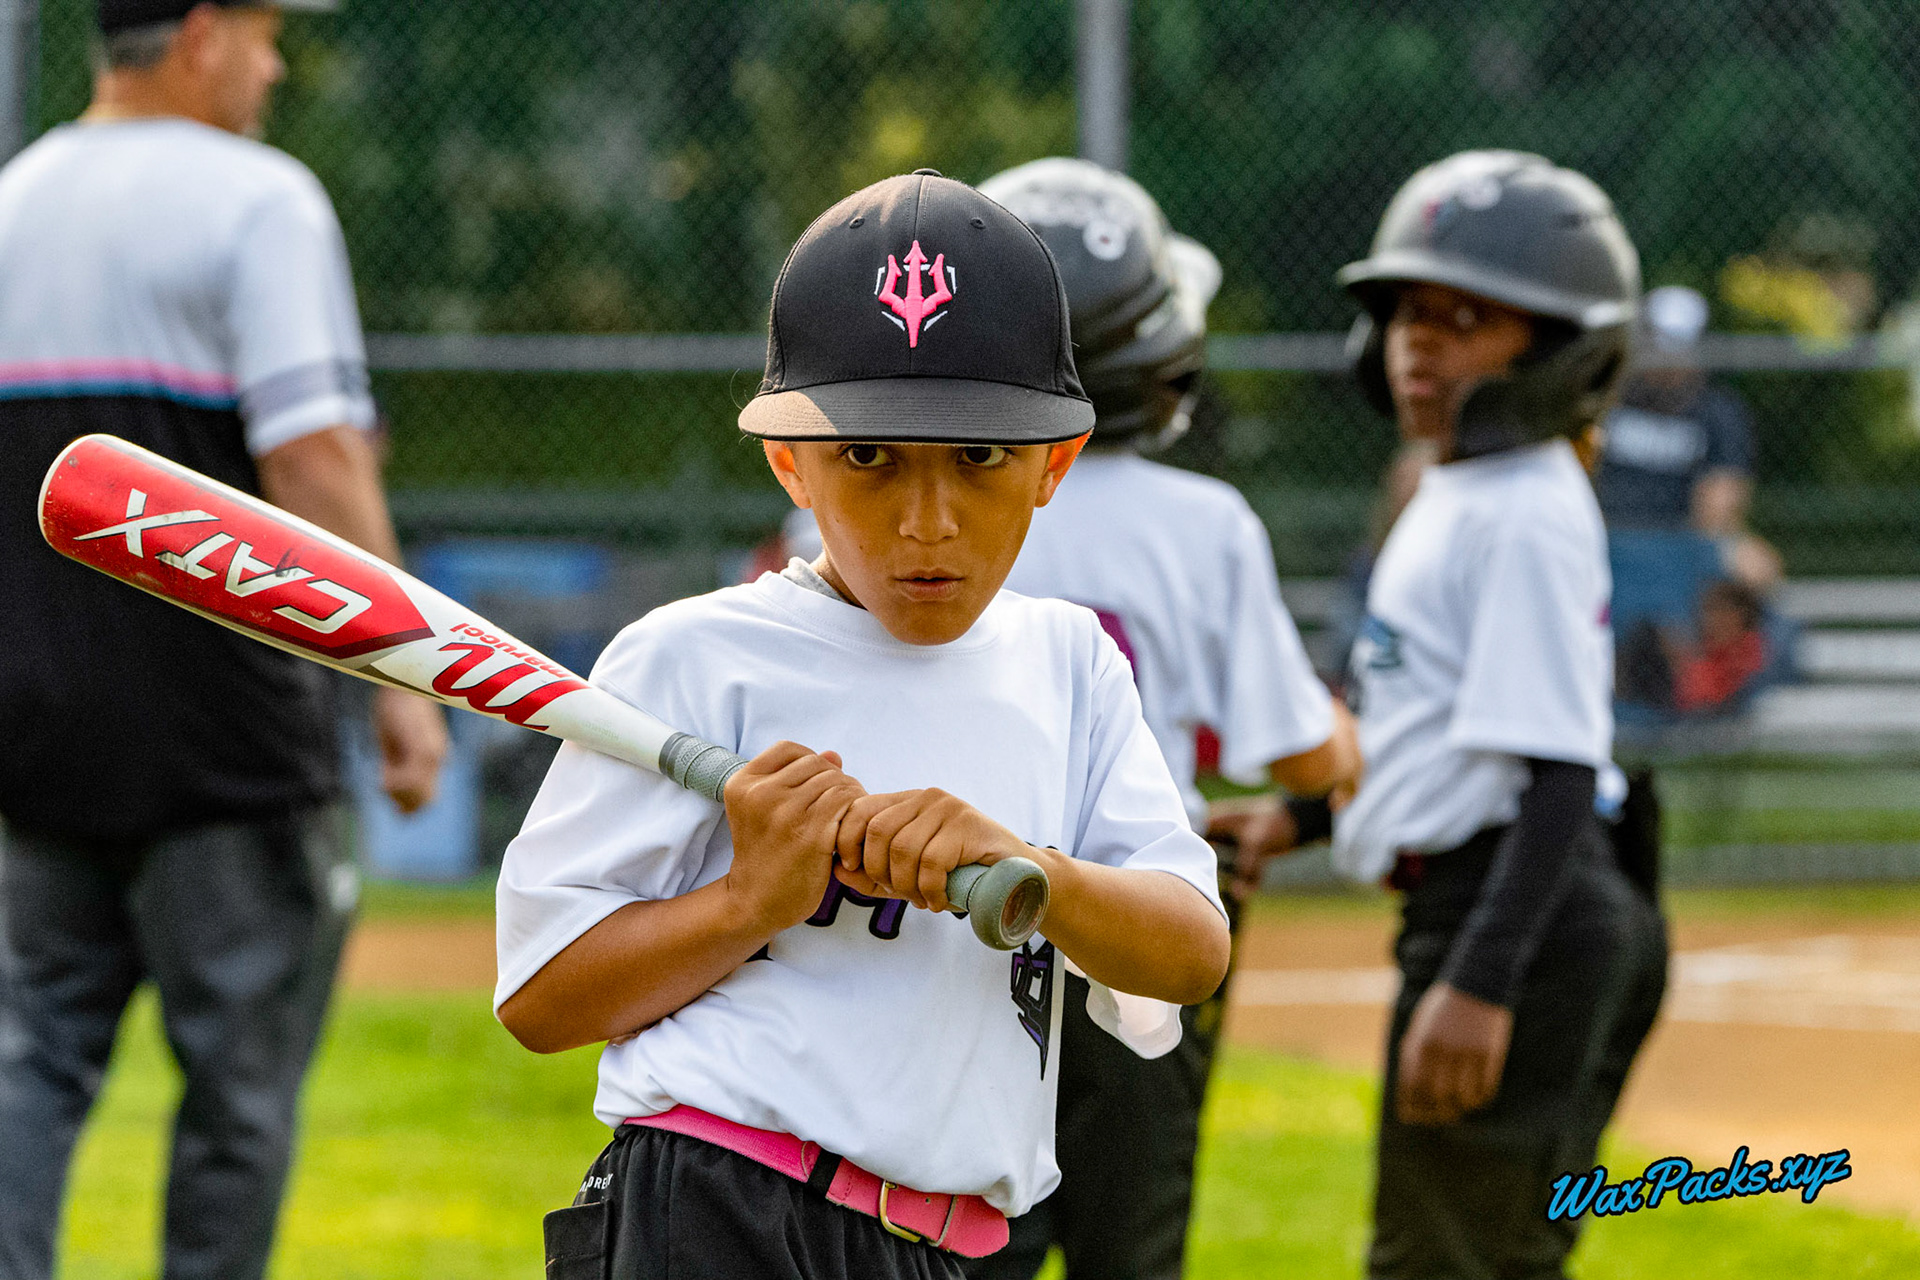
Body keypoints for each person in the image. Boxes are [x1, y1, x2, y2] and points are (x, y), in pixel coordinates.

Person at [494, 170, 1231, 1280]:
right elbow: (544, 996)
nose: (925, 520)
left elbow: (1190, 949)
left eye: (979, 457)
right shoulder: (691, 656)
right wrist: (751, 899)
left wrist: (1030, 868)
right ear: (789, 461)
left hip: (948, 1243)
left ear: (1055, 465)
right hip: (720, 1203)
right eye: (870, 456)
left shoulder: (1071, 663)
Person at [0, 4, 448, 1278]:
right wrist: (403, 684)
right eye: (261, 33)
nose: (276, 63)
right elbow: (312, 454)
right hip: (227, 737)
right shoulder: (261, 200)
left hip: (37, 729)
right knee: (238, 1099)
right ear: (198, 33)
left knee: (28, 1064)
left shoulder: (13, 199)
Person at [962, 156, 1360, 1280]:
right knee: (1129, 1238)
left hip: (956, 910)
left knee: (962, 1226)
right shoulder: (1202, 519)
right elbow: (1294, 749)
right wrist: (1347, 741)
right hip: (1136, 919)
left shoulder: (922, 500)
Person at [1330, 150, 1669, 1280]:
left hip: (1518, 911)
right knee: (1480, 1252)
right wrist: (1294, 813)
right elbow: (1436, 725)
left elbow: (1560, 774)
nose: (1420, 342)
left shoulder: (1521, 509)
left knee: (1440, 1256)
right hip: (1506, 898)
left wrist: (1479, 982)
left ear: (1557, 349)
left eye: (1466, 318)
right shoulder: (1458, 487)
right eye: (1408, 314)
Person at [1596, 284, 1780, 591]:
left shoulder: (1718, 412)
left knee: (1756, 567)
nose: (1665, 358)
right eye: (1656, 342)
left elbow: (1720, 506)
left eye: (1676, 345)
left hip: (1684, 542)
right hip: (1607, 535)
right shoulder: (1607, 399)